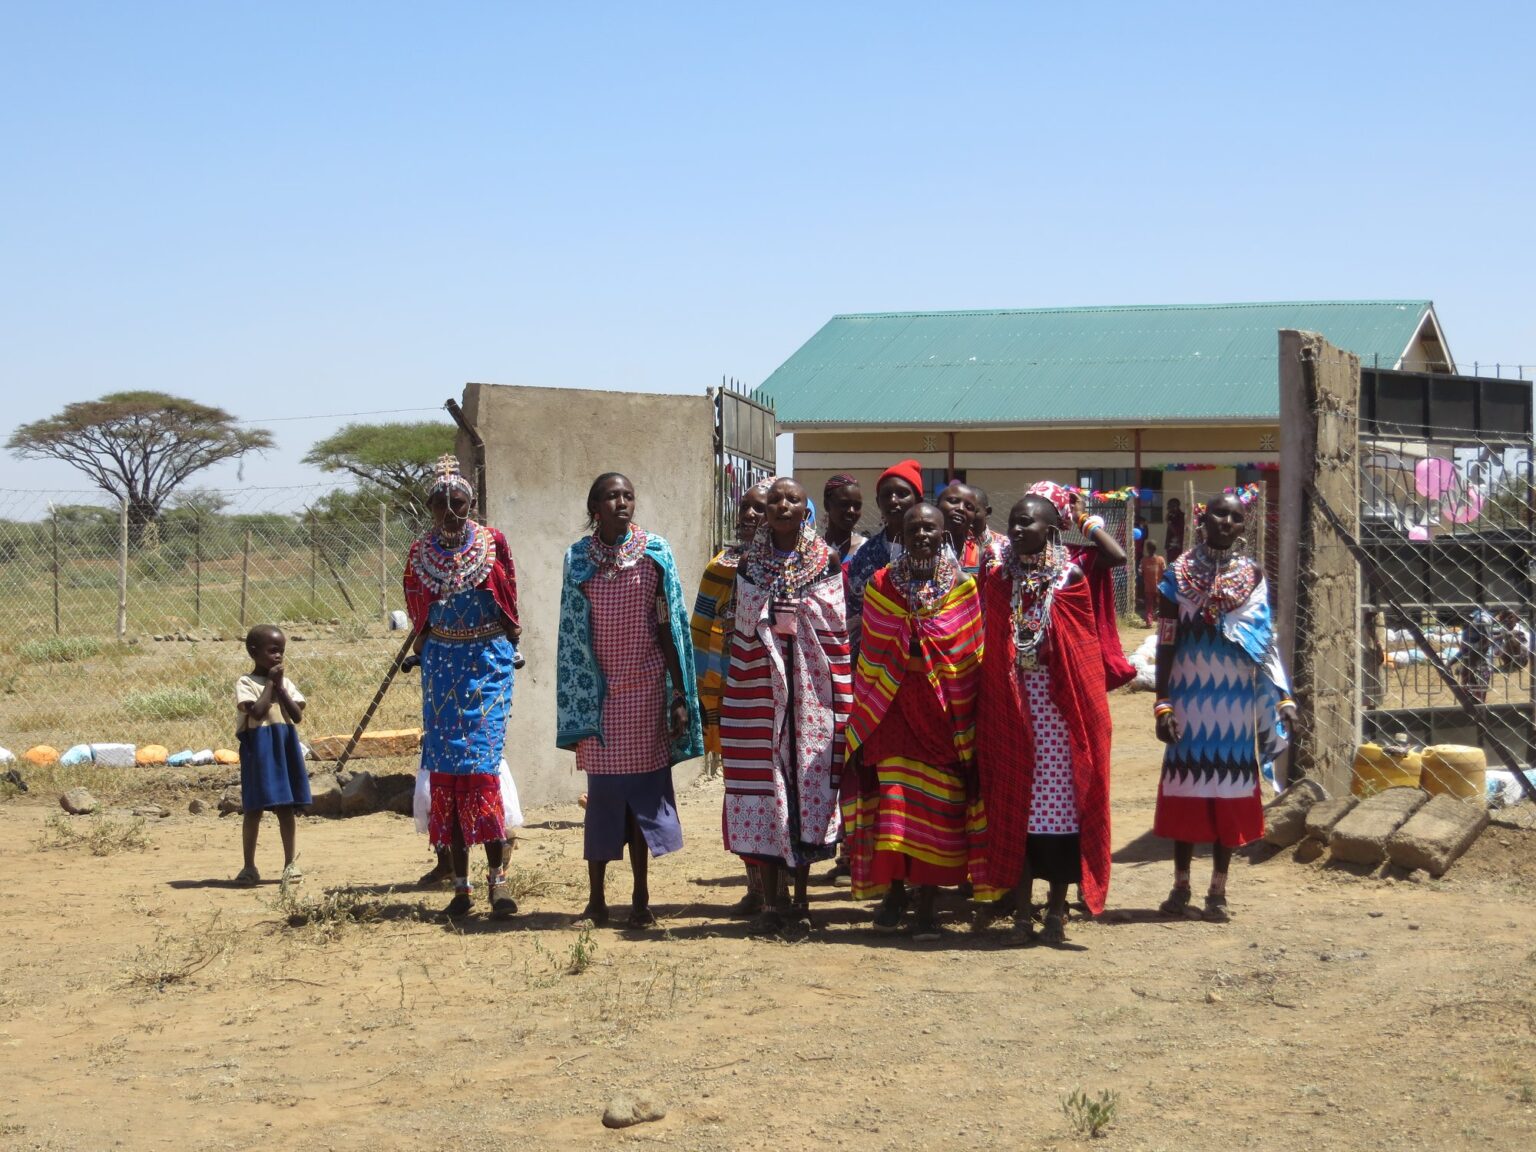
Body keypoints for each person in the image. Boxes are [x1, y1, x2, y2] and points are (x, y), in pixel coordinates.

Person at [976, 483, 1123, 944]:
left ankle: (1056, 910)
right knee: (1014, 806)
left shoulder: (1070, 580)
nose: (1017, 529)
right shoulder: (998, 579)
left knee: (1060, 813)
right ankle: (1022, 913)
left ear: (1053, 529)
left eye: (1028, 522)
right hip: (1012, 705)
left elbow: (1080, 649)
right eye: (1014, 521)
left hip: (1061, 711)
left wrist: (1046, 649)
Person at [557, 473, 703, 929]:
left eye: (628, 495)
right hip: (600, 697)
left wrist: (678, 694)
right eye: (611, 496)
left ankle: (641, 899)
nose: (622, 502)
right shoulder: (578, 559)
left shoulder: (654, 553)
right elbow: (571, 634)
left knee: (642, 795)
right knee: (603, 800)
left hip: (644, 692)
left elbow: (668, 625)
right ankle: (596, 902)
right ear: (594, 507)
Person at [845, 503, 987, 940]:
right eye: (913, 528)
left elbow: (970, 654)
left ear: (944, 533)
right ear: (901, 535)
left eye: (930, 527)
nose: (922, 534)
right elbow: (871, 651)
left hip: (943, 712)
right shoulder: (882, 584)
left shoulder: (963, 587)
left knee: (939, 806)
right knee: (893, 801)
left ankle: (927, 903)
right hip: (890, 709)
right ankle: (894, 892)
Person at [1153, 490, 1294, 923]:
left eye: (1235, 517)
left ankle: (1218, 890)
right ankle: (1180, 886)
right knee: (1186, 789)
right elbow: (1166, 640)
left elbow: (1264, 639)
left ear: (1242, 525)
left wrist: (1282, 695)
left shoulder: (1251, 577)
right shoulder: (1177, 574)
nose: (1227, 522)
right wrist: (1163, 704)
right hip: (1189, 698)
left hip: (1234, 703)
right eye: (1219, 514)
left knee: (1228, 790)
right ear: (1203, 518)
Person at [721, 476, 851, 933]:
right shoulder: (748, 565)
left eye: (792, 499)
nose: (781, 506)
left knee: (804, 783)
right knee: (765, 784)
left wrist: (799, 614)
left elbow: (834, 624)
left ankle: (801, 899)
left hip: (810, 690)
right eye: (774, 500)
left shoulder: (826, 559)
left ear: (804, 510)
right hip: (758, 689)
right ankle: (771, 903)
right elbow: (742, 625)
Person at [403, 455, 523, 919]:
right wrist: (428, 644)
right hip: (441, 670)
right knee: (447, 774)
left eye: (458, 502)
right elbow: (417, 609)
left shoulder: (493, 543)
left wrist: (511, 643)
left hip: (488, 666)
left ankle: (499, 883)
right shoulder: (420, 553)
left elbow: (509, 597)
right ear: (429, 506)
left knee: (482, 769)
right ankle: (460, 887)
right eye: (440, 503)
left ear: (470, 503)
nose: (449, 511)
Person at [690, 480, 773, 915]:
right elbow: (701, 633)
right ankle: (755, 886)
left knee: (783, 790)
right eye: (745, 507)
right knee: (741, 790)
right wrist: (707, 696)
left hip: (778, 700)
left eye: (760, 509)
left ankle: (782, 890)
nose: (749, 516)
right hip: (734, 697)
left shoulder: (790, 568)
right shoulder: (720, 569)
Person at [235, 624, 308, 885]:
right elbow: (256, 712)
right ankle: (249, 866)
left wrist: (281, 688)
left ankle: (290, 863)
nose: (278, 656)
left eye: (282, 652)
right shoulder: (246, 683)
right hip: (259, 750)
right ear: (254, 652)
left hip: (284, 747)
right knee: (253, 808)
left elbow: (297, 716)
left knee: (285, 807)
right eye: (273, 651)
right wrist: (269, 686)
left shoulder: (285, 683)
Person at [846, 459, 923, 655]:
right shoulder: (865, 554)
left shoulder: (936, 550)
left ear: (918, 500)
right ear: (879, 502)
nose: (894, 500)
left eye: (902, 494)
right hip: (876, 658)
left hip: (925, 658)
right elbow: (855, 613)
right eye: (886, 495)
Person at [822, 473, 868, 561]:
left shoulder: (867, 549)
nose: (851, 511)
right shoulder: (812, 549)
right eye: (844, 504)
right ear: (827, 505)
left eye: (857, 506)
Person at [1140, 542, 1165, 627]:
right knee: (1158, 604)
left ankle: (1149, 621)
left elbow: (1141, 572)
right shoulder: (1160, 559)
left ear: (1147, 549)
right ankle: (1157, 620)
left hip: (1149, 587)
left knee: (1149, 605)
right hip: (1159, 587)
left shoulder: (1144, 560)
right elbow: (1164, 570)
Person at [1164, 497, 1186, 563]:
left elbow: (1178, 532)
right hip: (1171, 547)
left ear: (1175, 506)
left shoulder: (1182, 516)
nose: (1167, 508)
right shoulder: (1171, 516)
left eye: (1169, 506)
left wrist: (1168, 522)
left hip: (1178, 548)